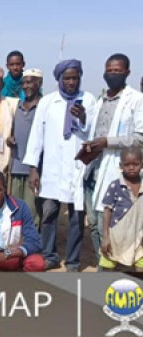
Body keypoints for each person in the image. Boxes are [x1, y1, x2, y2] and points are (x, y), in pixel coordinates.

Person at [23, 59, 96, 271]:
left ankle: (73, 261)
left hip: (77, 170)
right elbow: (37, 136)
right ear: (59, 80)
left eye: (75, 78)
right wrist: (33, 169)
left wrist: (82, 118)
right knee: (48, 215)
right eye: (67, 78)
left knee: (76, 218)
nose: (71, 82)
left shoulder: (88, 100)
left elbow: (91, 134)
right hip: (52, 171)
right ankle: (50, 255)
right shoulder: (47, 102)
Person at [82, 53, 143, 264]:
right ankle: (105, 264)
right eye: (109, 70)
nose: (112, 74)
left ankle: (115, 268)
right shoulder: (101, 99)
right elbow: (92, 130)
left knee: (107, 223)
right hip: (93, 171)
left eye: (117, 71)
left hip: (116, 172)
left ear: (127, 73)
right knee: (93, 224)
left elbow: (140, 137)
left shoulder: (135, 100)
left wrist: (108, 142)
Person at [7, 68, 44, 226]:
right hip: (16, 167)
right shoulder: (16, 106)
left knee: (32, 212)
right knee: (14, 210)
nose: (26, 86)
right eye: (24, 82)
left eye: (30, 82)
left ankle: (32, 245)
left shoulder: (44, 106)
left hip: (34, 170)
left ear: (39, 83)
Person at [99, 147, 143, 271]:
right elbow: (107, 211)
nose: (131, 167)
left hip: (139, 236)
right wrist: (106, 237)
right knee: (108, 267)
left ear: (142, 164)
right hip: (116, 236)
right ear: (120, 166)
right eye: (127, 164)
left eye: (135, 164)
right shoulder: (115, 186)